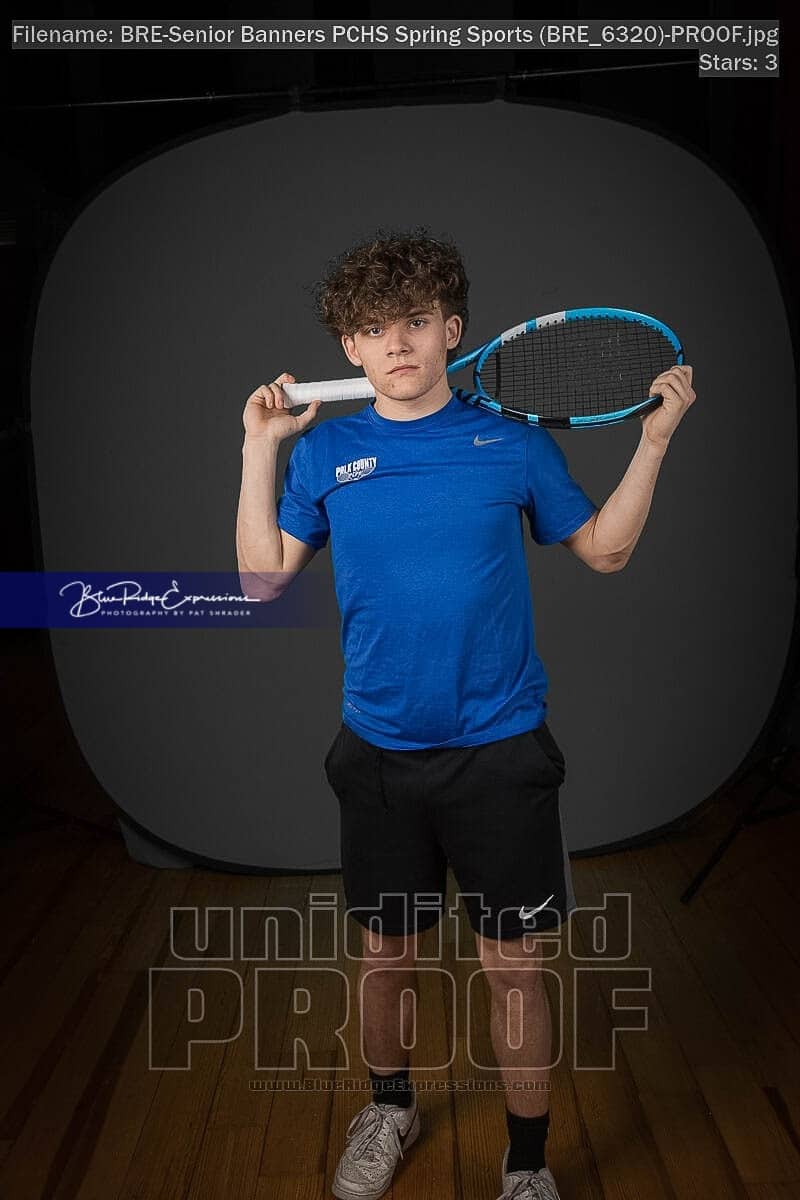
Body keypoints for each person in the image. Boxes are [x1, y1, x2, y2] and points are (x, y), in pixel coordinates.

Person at [235, 230, 695, 1200]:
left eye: (414, 321)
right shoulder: (325, 452)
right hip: (379, 756)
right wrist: (258, 448)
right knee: (386, 957)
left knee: (513, 969)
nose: (395, 343)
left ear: (451, 330)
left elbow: (605, 551)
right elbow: (261, 582)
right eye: (372, 329)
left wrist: (652, 443)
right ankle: (390, 1108)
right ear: (349, 349)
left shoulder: (512, 443)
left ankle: (526, 1165)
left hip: (499, 755)